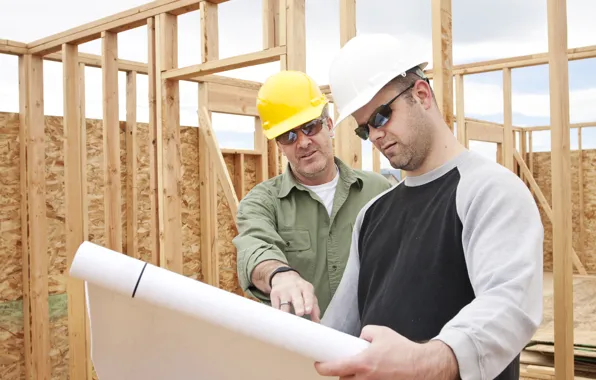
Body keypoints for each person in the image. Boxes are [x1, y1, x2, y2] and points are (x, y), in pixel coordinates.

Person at [316, 33, 544, 380]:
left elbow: (509, 304)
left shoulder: (489, 191)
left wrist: (424, 361)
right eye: (364, 130)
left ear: (422, 95)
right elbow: (338, 329)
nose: (375, 136)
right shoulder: (372, 215)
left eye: (381, 117)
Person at [233, 70, 393, 322]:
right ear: (280, 145)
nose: (303, 142)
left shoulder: (377, 190)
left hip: (372, 346)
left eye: (310, 126)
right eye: (289, 135)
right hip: (300, 350)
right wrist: (280, 274)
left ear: (329, 126)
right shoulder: (262, 203)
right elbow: (254, 248)